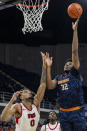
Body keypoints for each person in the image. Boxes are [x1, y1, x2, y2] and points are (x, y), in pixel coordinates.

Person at [43, 19, 86, 131]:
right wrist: (48, 67)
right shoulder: (58, 77)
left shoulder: (75, 74)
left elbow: (74, 52)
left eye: (70, 63)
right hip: (64, 113)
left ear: (74, 65)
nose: (67, 65)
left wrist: (75, 31)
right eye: (66, 64)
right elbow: (49, 86)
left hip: (77, 111)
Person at [1, 52, 47, 131]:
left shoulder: (36, 103)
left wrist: (44, 66)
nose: (29, 92)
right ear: (21, 97)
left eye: (28, 91)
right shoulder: (18, 106)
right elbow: (3, 118)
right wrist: (12, 100)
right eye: (25, 92)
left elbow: (42, 85)